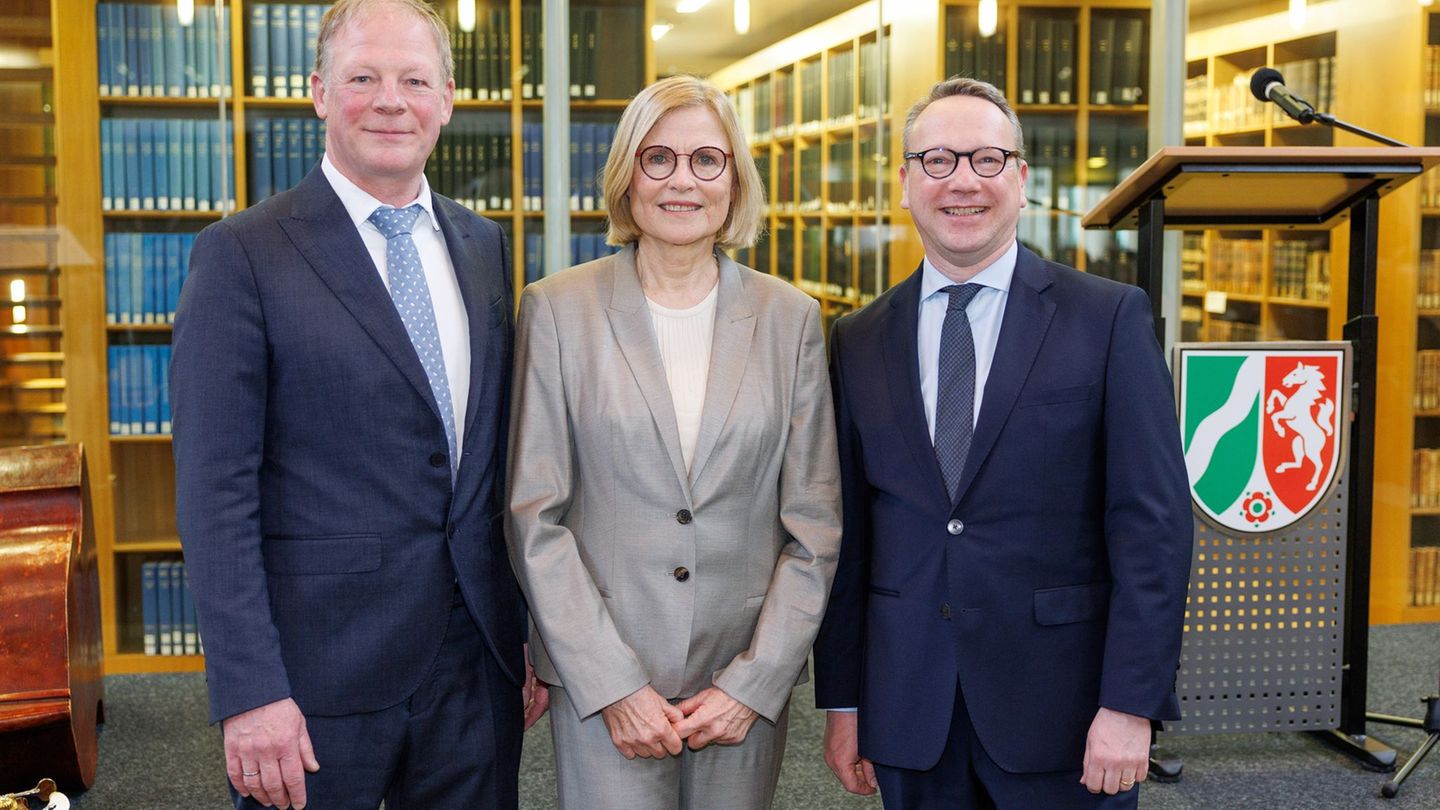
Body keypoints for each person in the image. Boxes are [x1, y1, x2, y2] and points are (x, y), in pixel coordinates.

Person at [171, 1, 545, 807]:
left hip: (474, 668)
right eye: (362, 78)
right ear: (317, 92)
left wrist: (524, 634)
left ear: (447, 98)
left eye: (414, 80)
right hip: (312, 683)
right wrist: (248, 690)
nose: (389, 100)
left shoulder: (483, 246)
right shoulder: (241, 254)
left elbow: (490, 463)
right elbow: (214, 495)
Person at [812, 76, 1193, 809]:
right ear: (904, 183)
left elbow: (1154, 528)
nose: (962, 181)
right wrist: (845, 701)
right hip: (910, 708)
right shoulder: (858, 339)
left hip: (1069, 717)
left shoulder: (1106, 319)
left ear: (1021, 181)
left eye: (986, 160)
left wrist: (1131, 703)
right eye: (937, 161)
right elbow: (850, 539)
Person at [505, 74, 841, 809]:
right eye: (658, 159)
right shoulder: (559, 311)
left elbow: (814, 529)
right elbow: (536, 517)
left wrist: (754, 684)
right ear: (628, 178)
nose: (681, 180)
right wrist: (611, 682)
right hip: (606, 684)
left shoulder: (791, 321)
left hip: (741, 691)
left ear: (734, 180)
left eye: (706, 160)